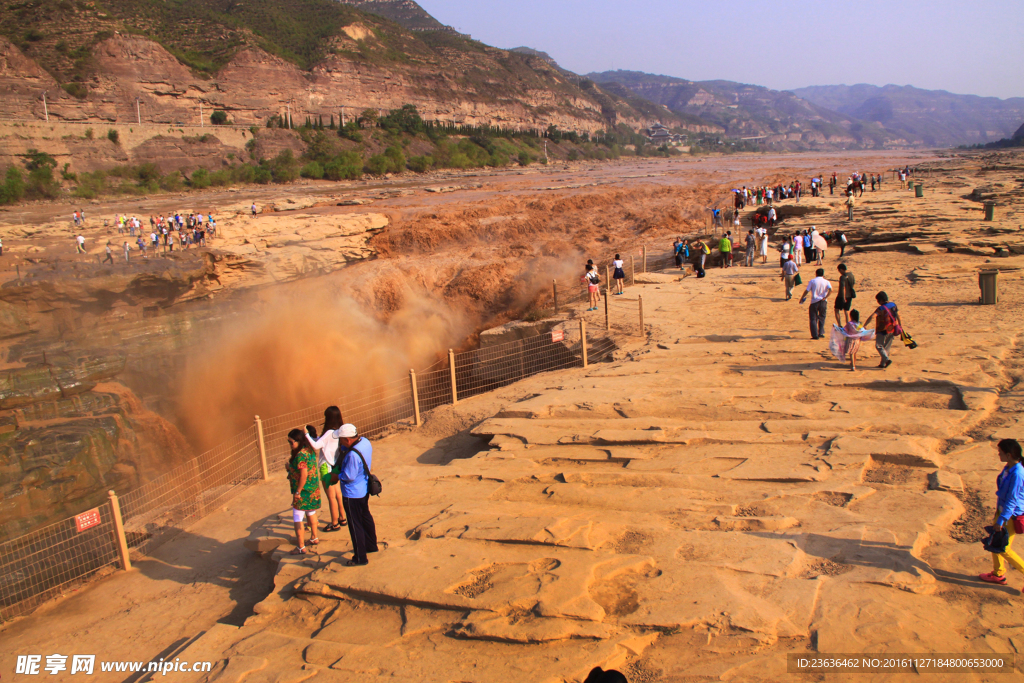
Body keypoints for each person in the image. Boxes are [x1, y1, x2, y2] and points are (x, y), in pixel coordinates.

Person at [331, 424, 378, 566]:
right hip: (363, 489)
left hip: (352, 495)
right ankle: (371, 545)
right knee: (365, 517)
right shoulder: (365, 441)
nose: (340, 442)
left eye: (341, 440)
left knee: (355, 525)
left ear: (347, 440)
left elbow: (349, 476)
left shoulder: (352, 455)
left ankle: (360, 558)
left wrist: (336, 476)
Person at [979, 439, 1024, 587]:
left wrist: (1001, 520)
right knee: (995, 541)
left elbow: (1012, 499)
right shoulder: (1009, 467)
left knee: (1004, 548)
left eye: (1001, 452)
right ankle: (998, 574)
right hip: (1002, 511)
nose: (998, 454)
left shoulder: (1017, 473)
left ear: (1009, 455)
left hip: (1010, 515)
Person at [306, 406, 346, 532]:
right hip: (335, 466)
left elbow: (317, 446)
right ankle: (342, 517)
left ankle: (334, 523)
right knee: (338, 494)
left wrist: (306, 435)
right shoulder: (339, 431)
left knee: (331, 497)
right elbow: (325, 442)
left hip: (325, 467)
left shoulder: (328, 433)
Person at [286, 428, 321, 555]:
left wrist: (297, 492)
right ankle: (314, 537)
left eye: (291, 442)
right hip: (313, 489)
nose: (290, 445)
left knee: (298, 517)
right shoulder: (309, 450)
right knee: (311, 512)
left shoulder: (300, 455)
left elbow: (303, 475)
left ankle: (301, 547)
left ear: (298, 441)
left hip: (303, 491)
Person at [863, 291, 904, 369]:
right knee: (887, 347)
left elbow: (873, 316)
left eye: (878, 300)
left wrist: (865, 325)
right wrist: (900, 325)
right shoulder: (893, 305)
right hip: (892, 328)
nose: (878, 302)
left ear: (881, 300)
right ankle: (882, 364)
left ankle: (886, 360)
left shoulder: (881, 308)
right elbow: (898, 315)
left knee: (879, 346)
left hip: (882, 329)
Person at [799, 268, 832, 340]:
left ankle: (815, 335)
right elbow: (830, 290)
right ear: (823, 274)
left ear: (816, 273)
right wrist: (826, 297)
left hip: (814, 301)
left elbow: (807, 290)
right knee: (822, 317)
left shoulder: (812, 281)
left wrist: (802, 297)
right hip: (823, 301)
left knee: (813, 318)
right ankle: (820, 332)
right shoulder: (826, 281)